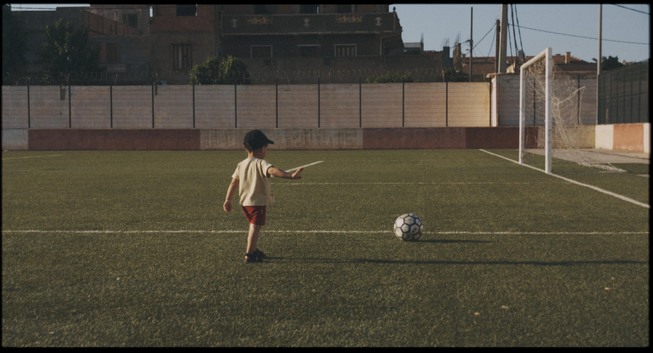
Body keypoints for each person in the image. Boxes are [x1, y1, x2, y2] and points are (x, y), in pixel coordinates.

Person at [223, 130, 304, 264]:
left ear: (245, 148)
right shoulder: (261, 163)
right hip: (257, 202)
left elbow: (234, 182)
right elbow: (272, 170)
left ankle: (254, 250)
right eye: (266, 147)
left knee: (253, 225)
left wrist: (228, 199)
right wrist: (290, 176)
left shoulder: (241, 164)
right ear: (262, 148)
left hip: (244, 203)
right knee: (255, 226)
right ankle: (249, 254)